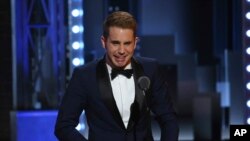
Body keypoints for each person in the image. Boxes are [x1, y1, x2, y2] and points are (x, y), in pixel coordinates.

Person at [54, 11, 179, 141]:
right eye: (115, 43)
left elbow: (169, 119)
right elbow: (63, 126)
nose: (121, 51)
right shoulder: (85, 75)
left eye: (127, 43)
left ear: (135, 42)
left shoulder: (150, 69)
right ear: (104, 42)